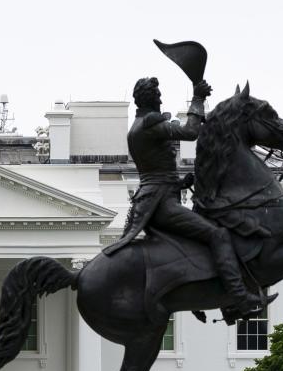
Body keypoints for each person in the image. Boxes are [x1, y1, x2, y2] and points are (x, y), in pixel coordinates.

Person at [103, 76, 270, 322]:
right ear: (151, 98)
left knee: (202, 234)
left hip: (157, 197)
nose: (161, 98)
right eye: (158, 95)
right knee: (218, 235)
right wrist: (198, 98)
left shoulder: (138, 126)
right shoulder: (149, 124)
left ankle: (209, 295)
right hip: (161, 204)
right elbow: (191, 132)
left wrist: (180, 183)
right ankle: (239, 297)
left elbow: (154, 172)